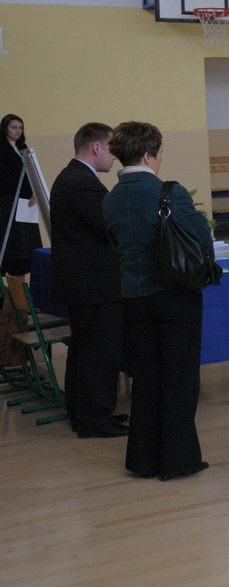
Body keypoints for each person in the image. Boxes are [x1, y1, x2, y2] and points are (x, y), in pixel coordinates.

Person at [102, 121, 211, 481]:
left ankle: (142, 459)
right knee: (180, 378)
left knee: (146, 378)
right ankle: (178, 459)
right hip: (173, 295)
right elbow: (200, 237)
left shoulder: (111, 199)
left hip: (133, 297)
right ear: (148, 155)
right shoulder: (169, 192)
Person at [50, 123, 128, 438]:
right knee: (99, 352)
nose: (115, 157)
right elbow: (109, 227)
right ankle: (95, 417)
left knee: (85, 348)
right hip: (94, 284)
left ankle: (82, 412)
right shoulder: (82, 183)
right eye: (112, 149)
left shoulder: (71, 177)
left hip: (85, 282)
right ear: (96, 147)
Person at [1, 114, 41, 276]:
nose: (18, 131)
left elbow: (30, 174)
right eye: (14, 127)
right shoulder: (2, 148)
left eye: (20, 128)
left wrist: (34, 192)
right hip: (8, 201)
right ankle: (13, 285)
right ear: (5, 129)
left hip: (25, 202)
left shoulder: (23, 147)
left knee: (26, 244)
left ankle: (22, 283)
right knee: (14, 244)